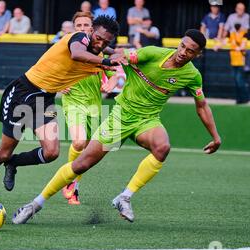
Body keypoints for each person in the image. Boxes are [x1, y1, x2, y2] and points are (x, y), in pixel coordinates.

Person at [12, 29, 222, 225]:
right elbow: (121, 57)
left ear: (198, 54)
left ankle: (124, 197)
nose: (183, 52)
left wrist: (215, 137)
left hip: (147, 120)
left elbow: (202, 106)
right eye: (182, 46)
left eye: (190, 51)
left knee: (163, 147)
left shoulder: (192, 75)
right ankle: (35, 204)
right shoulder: (152, 53)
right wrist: (108, 54)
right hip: (120, 117)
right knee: (81, 165)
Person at [0, 15, 127, 206]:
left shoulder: (98, 50)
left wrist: (116, 54)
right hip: (23, 93)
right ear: (90, 32)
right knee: (3, 152)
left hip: (45, 100)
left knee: (51, 152)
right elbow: (77, 54)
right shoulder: (79, 38)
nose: (100, 43)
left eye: (106, 42)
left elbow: (106, 50)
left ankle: (14, 163)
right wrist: (109, 61)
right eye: (98, 38)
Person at [61, 11, 126, 205]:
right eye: (78, 26)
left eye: (85, 26)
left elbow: (118, 65)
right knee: (79, 142)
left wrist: (114, 80)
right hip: (72, 100)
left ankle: (74, 187)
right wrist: (59, 84)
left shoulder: (101, 48)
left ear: (93, 28)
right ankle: (70, 181)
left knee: (88, 150)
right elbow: (49, 70)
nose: (81, 29)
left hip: (94, 103)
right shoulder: (68, 46)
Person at [229, 23, 250, 104]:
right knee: (236, 81)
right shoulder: (232, 35)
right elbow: (227, 41)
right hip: (233, 61)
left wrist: (239, 48)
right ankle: (239, 99)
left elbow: (243, 45)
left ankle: (245, 98)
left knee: (240, 81)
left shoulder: (244, 34)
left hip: (240, 61)